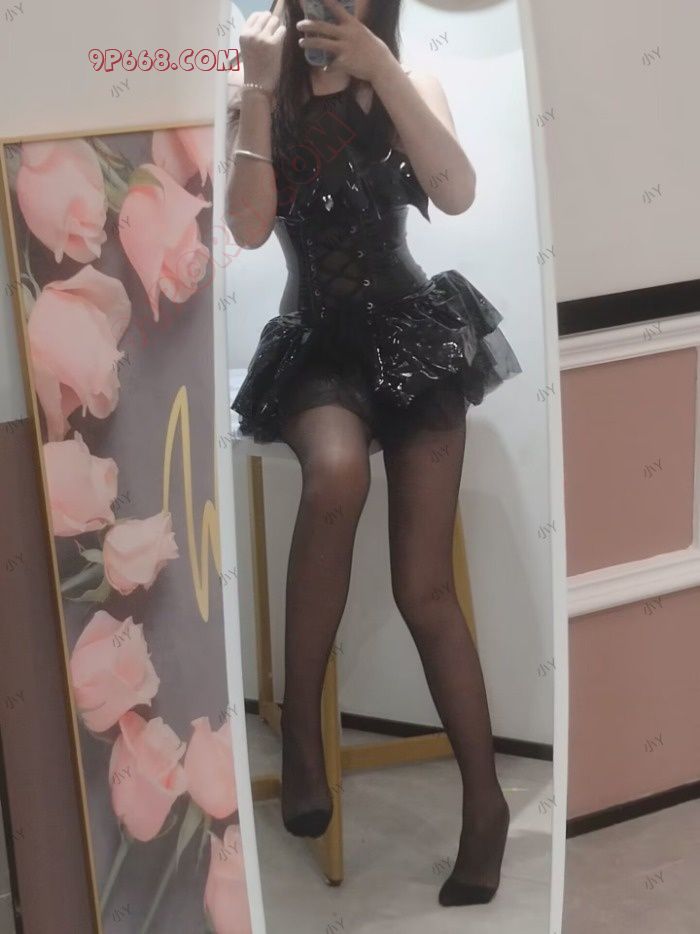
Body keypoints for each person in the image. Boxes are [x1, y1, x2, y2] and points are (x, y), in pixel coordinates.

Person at [226, 0, 522, 908]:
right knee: (338, 472)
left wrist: (383, 69)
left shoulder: (410, 80)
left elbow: (457, 191)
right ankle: (302, 733)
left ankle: (485, 803)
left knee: (422, 586)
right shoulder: (259, 91)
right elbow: (246, 228)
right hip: (317, 344)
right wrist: (258, 93)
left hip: (412, 333)